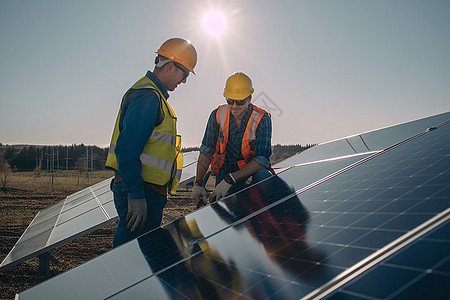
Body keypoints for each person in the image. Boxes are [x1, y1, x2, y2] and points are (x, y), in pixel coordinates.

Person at [105, 37, 197, 247]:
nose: (184, 81)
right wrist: (136, 196)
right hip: (141, 192)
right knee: (130, 257)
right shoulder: (148, 96)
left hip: (146, 191)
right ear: (171, 67)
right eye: (184, 75)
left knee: (137, 255)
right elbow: (127, 149)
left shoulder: (152, 95)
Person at [192, 72, 273, 204]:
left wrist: (231, 179)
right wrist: (198, 183)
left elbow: (262, 160)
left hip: (251, 171)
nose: (234, 106)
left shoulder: (261, 119)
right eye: (230, 101)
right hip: (225, 171)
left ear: (250, 98)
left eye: (240, 102)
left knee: (265, 178)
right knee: (223, 208)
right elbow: (207, 150)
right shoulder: (218, 114)